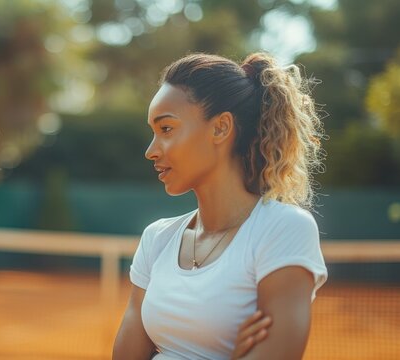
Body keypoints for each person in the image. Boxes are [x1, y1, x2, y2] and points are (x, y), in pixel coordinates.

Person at [113, 52, 328, 360]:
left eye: (167, 129)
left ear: (221, 128)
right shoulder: (157, 238)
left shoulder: (284, 228)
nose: (151, 151)